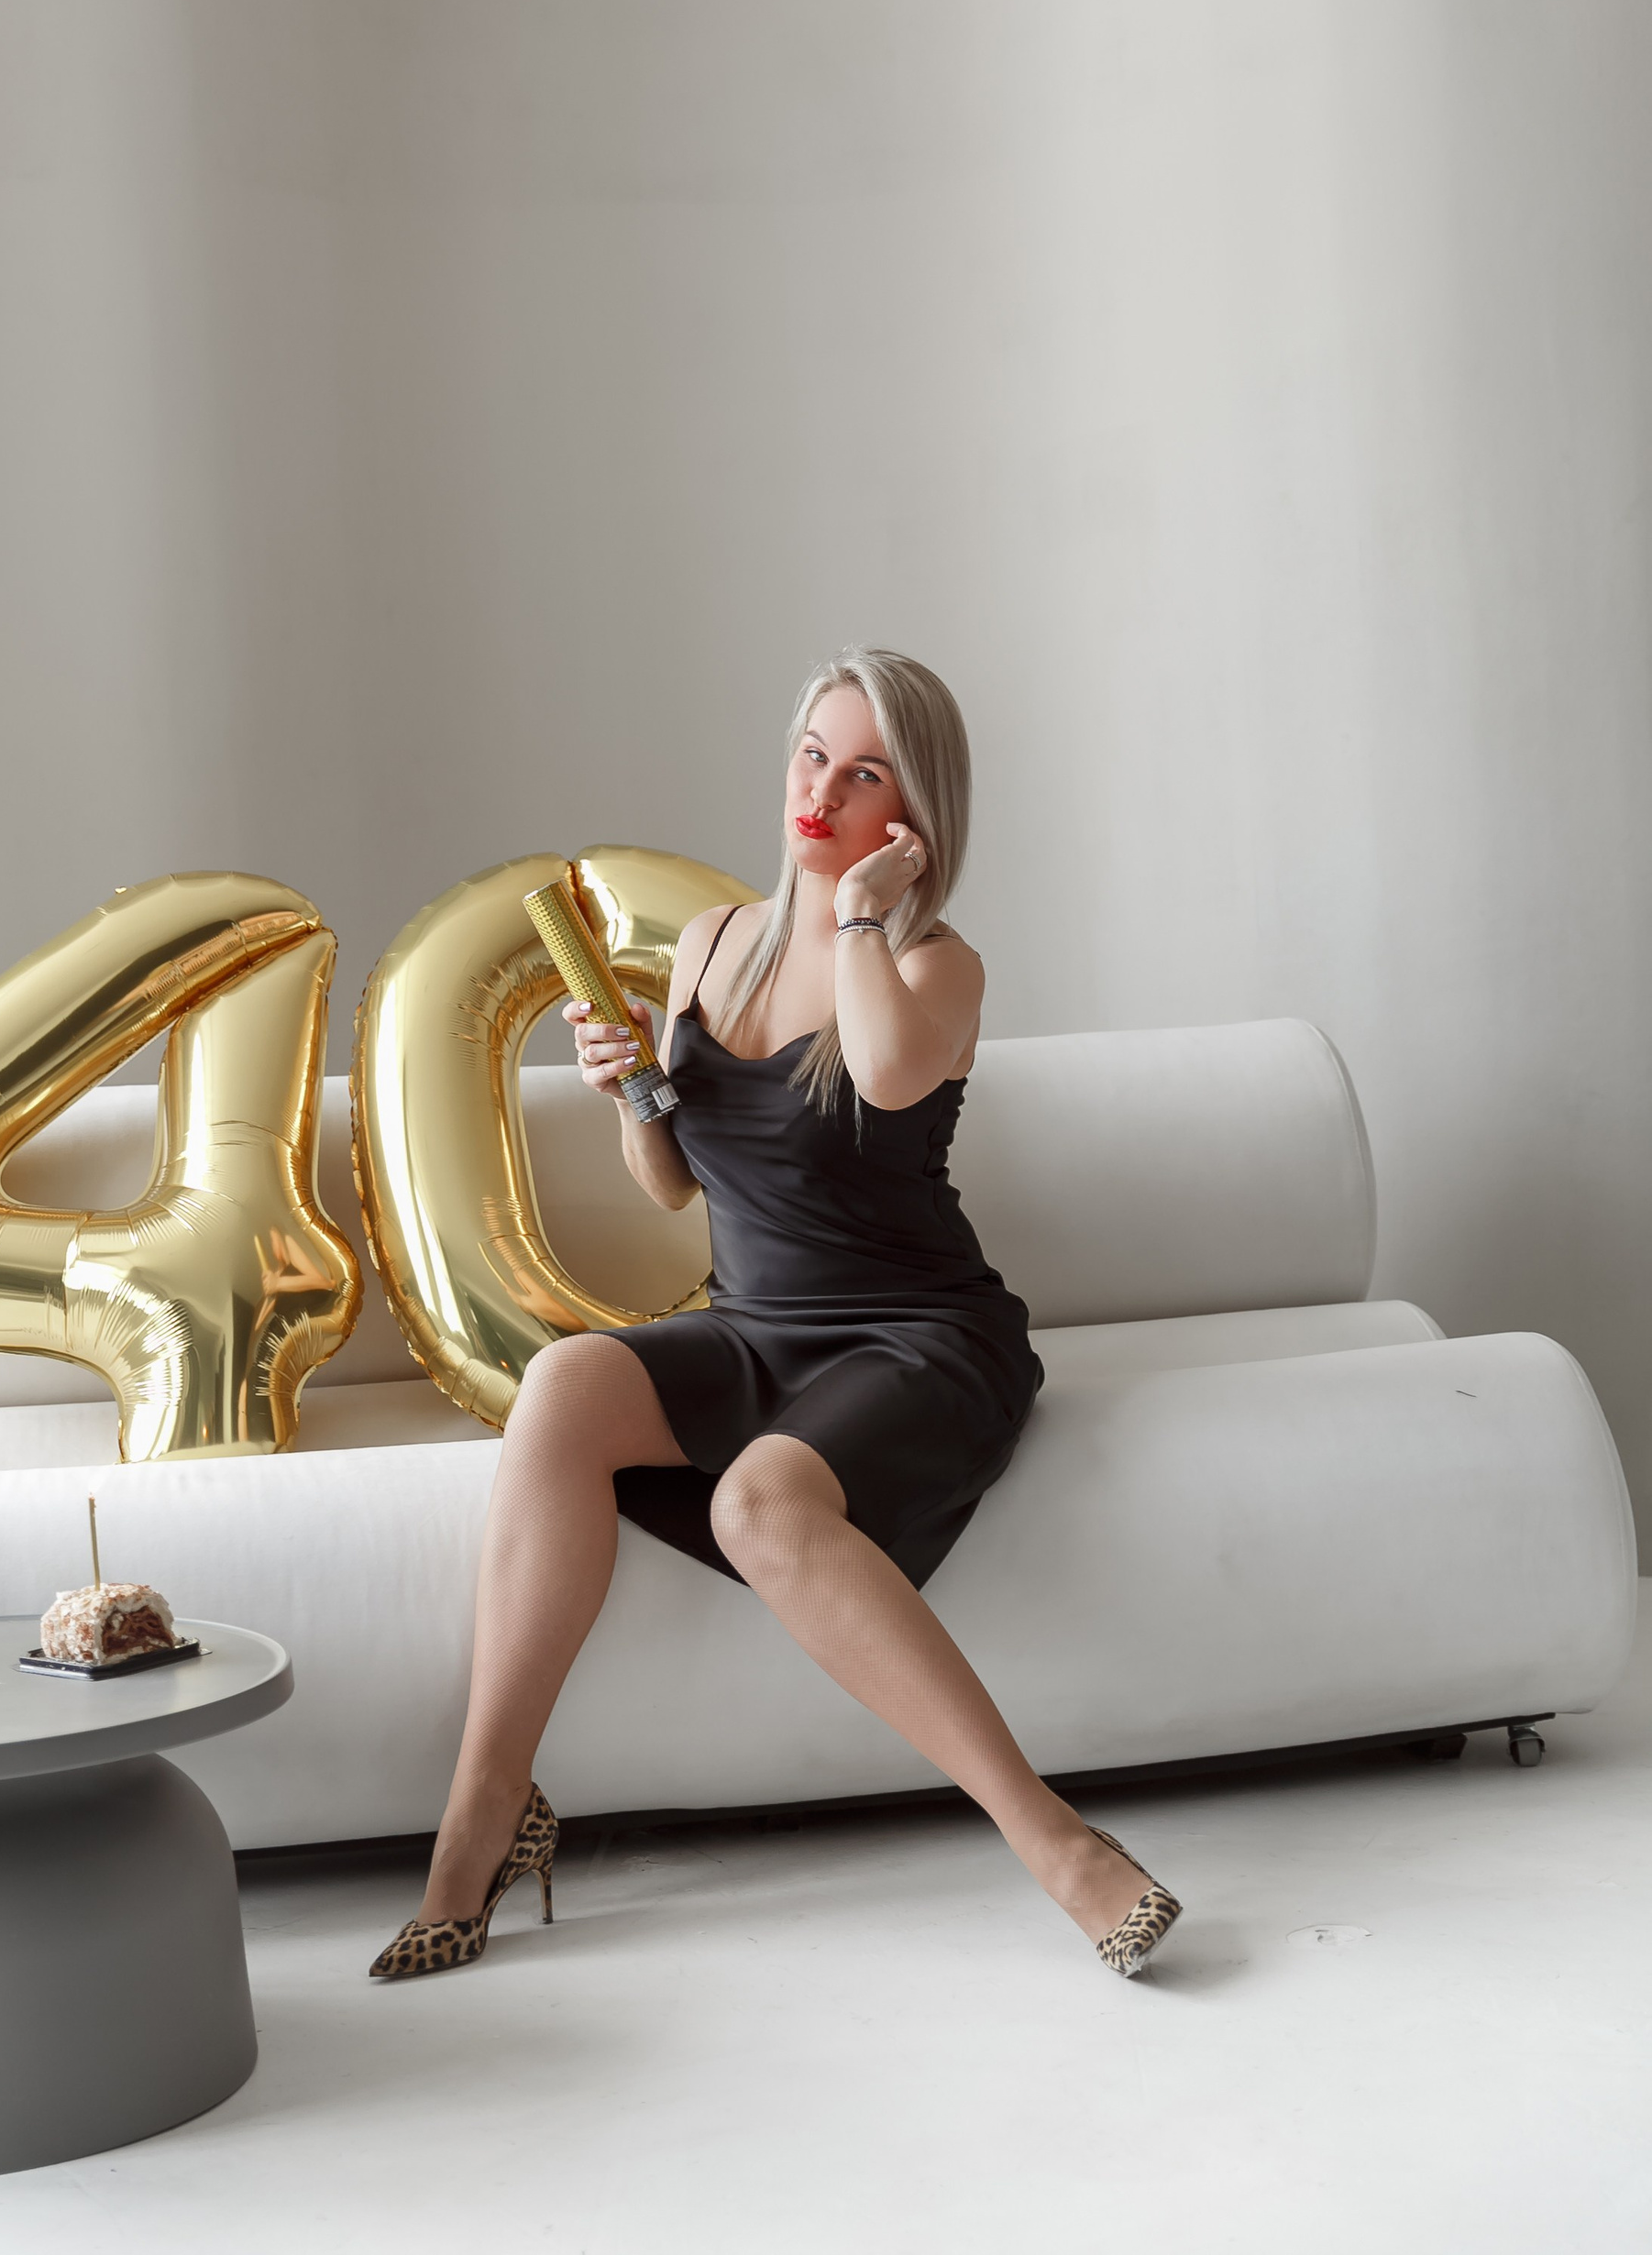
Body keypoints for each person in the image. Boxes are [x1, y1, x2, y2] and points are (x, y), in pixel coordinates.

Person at [370, 648, 1181, 1983]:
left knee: (760, 1503)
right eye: (813, 755)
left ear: (913, 813)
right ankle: (487, 1810)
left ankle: (1058, 1843)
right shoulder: (711, 944)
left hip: (918, 1335)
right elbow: (675, 1180)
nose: (822, 791)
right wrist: (627, 1086)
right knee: (564, 1385)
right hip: (754, 1325)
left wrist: (858, 913)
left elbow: (887, 1075)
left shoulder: (937, 967)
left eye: (864, 774)